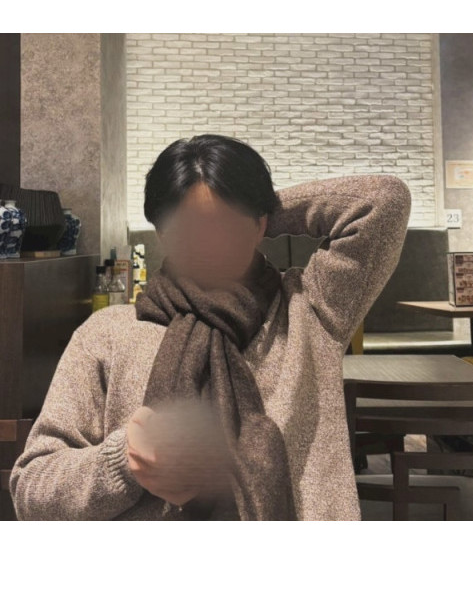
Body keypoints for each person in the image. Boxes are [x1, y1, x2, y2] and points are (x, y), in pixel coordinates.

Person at [9, 133, 411, 520]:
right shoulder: (107, 335)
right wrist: (123, 461)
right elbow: (31, 491)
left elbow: (383, 200)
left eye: (226, 224)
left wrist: (255, 202)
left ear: (260, 226)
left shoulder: (310, 309)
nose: (210, 243)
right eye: (189, 227)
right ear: (162, 232)